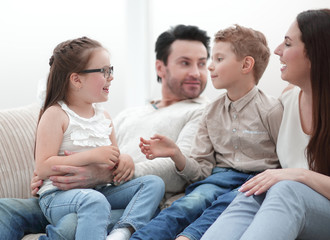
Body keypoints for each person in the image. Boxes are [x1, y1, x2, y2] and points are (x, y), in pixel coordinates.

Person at [0, 24, 210, 239]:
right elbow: (89, 154)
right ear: (160, 67)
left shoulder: (202, 113)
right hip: (74, 192)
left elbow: (182, 169)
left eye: (203, 64)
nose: (196, 72)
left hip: (108, 191)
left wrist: (110, 172)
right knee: (4, 208)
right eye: (185, 63)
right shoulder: (129, 113)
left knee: (81, 217)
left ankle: (121, 231)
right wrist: (48, 173)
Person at [130, 24, 283, 240]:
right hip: (217, 179)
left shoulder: (272, 110)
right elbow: (200, 172)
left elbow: (286, 162)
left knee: (230, 204)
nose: (210, 67)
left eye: (218, 59)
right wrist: (176, 154)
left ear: (246, 64)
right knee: (189, 203)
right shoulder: (209, 112)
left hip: (257, 181)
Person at [201, 9, 330, 240]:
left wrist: (299, 175)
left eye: (288, 44)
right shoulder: (287, 100)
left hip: (316, 207)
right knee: (253, 189)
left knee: (285, 187)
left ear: (316, 53)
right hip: (292, 198)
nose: (278, 50)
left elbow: (293, 180)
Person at [35, 36, 165, 240]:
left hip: (100, 191)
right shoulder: (55, 114)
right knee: (95, 201)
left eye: (110, 70)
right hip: (58, 196)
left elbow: (112, 160)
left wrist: (124, 161)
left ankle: (122, 232)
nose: (111, 77)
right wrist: (91, 156)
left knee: (153, 184)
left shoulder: (104, 117)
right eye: (104, 71)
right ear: (77, 79)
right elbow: (43, 167)